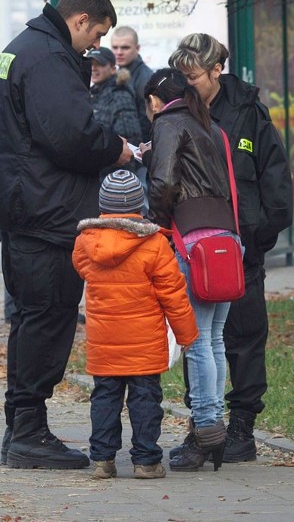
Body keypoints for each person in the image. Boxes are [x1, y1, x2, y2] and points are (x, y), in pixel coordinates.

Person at [0, 0, 133, 470]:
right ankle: (29, 433)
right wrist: (117, 150)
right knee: (48, 317)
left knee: (30, 318)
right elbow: (70, 135)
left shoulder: (19, 50)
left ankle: (21, 427)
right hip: (48, 212)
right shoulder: (47, 57)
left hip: (24, 206)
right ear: (80, 18)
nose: (96, 45)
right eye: (97, 33)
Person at [169, 33, 293, 463]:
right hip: (195, 246)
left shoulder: (247, 113)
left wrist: (261, 236)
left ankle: (241, 427)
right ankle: (204, 427)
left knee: (242, 336)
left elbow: (275, 175)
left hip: (242, 247)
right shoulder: (180, 112)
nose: (187, 83)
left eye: (193, 76)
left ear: (216, 70)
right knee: (197, 338)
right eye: (181, 76)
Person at [141, 68, 241, 472]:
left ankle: (206, 431)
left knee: (196, 342)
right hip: (227, 239)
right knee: (214, 339)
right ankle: (214, 428)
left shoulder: (168, 122)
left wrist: (154, 222)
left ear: (154, 100)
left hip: (192, 240)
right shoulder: (210, 125)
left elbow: (164, 182)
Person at [73, 169, 198, 480]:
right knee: (145, 399)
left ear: (102, 205)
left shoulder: (86, 243)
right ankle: (146, 461)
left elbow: (83, 270)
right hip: (144, 341)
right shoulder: (154, 245)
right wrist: (186, 334)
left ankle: (102, 460)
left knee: (104, 397)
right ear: (140, 206)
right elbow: (173, 294)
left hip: (104, 341)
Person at [86, 46, 142, 158]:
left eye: (100, 64)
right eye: (90, 64)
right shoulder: (94, 92)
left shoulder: (120, 95)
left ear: (113, 68)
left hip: (115, 169)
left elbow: (129, 140)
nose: (93, 68)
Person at [111, 26, 154, 142]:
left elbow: (147, 121)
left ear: (137, 48)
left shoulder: (146, 78)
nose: (119, 52)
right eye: (115, 48)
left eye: (125, 48)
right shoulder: (115, 74)